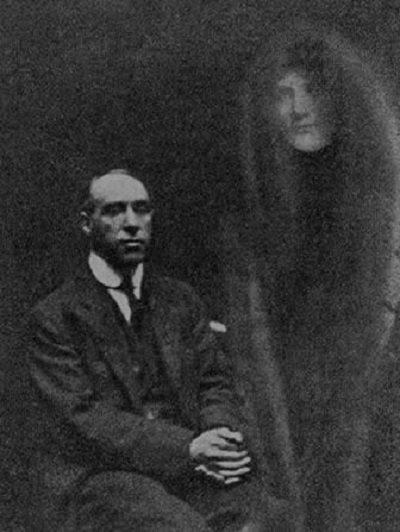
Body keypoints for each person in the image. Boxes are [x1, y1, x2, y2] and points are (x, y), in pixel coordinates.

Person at [228, 23, 400, 530]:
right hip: (292, 410)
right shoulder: (263, 220)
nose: (299, 108)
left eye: (314, 90)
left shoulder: (383, 210)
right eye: (284, 94)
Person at [23, 169, 255, 532]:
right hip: (104, 479)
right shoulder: (54, 318)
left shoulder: (181, 300)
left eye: (141, 209)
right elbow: (82, 419)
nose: (132, 223)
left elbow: (214, 382)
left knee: (270, 516)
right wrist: (186, 448)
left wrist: (219, 435)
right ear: (86, 223)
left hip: (194, 468)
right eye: (114, 210)